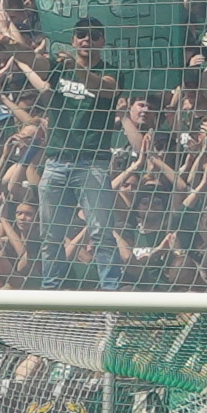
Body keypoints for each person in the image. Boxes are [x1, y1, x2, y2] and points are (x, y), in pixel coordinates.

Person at [38, 18, 129, 290]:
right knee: (50, 234)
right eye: (80, 35)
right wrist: (9, 42)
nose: (86, 40)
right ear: (73, 40)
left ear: (103, 41)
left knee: (101, 231)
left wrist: (76, 68)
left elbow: (104, 88)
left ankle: (110, 292)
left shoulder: (113, 72)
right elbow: (32, 63)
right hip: (56, 162)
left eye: (93, 36)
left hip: (92, 163)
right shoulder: (58, 69)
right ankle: (50, 290)